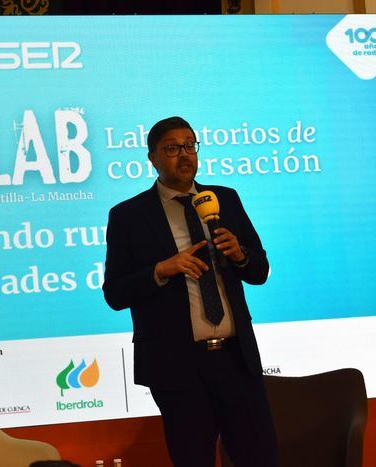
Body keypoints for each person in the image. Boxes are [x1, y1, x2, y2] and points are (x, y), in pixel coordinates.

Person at [102, 117, 278, 467]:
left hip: (235, 359)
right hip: (176, 365)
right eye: (171, 148)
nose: (184, 155)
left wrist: (240, 255)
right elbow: (115, 293)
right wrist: (161, 270)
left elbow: (259, 271)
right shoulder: (129, 215)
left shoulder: (225, 199)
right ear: (152, 157)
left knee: (260, 457)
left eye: (189, 145)